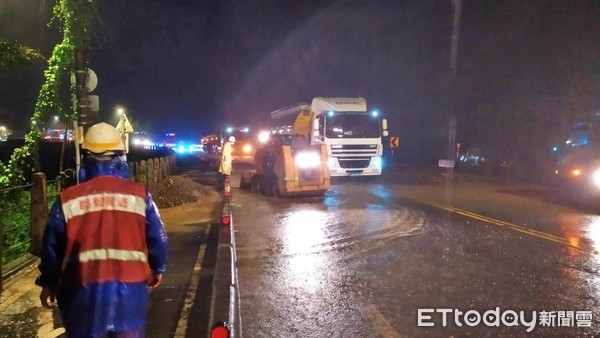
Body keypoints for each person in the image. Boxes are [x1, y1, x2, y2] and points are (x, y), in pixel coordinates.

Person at [36, 122, 168, 338]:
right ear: (121, 156)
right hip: (130, 296)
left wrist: (48, 284)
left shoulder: (67, 200)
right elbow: (158, 237)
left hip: (81, 295)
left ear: (85, 156)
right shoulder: (139, 196)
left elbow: (52, 247)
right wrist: (158, 267)